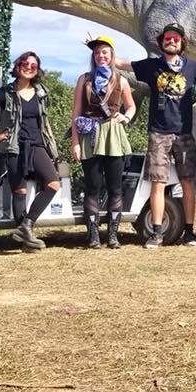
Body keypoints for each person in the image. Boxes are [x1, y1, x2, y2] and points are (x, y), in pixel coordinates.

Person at [112, 23, 196, 248]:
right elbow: (121, 63)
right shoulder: (151, 66)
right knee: (158, 183)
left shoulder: (192, 68)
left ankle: (189, 232)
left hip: (183, 134)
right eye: (168, 37)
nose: (172, 41)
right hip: (158, 133)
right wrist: (100, 48)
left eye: (176, 38)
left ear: (182, 42)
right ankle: (157, 233)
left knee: (187, 183)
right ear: (162, 41)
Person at [0, 51, 61, 252]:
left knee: (53, 183)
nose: (29, 67)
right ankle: (27, 243)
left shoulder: (41, 92)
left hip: (37, 145)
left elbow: (44, 122)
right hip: (13, 148)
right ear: (18, 66)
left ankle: (27, 225)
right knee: (19, 192)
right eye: (26, 63)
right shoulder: (6, 92)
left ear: (37, 69)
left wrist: (53, 147)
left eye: (34, 65)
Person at [71, 36, 136, 249]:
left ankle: (114, 235)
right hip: (89, 135)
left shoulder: (121, 80)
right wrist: (75, 143)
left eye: (105, 52)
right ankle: (93, 235)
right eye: (97, 52)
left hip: (113, 136)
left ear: (111, 55)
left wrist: (125, 117)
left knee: (115, 188)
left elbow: (131, 107)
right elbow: (76, 112)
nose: (101, 55)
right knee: (92, 187)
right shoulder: (84, 79)